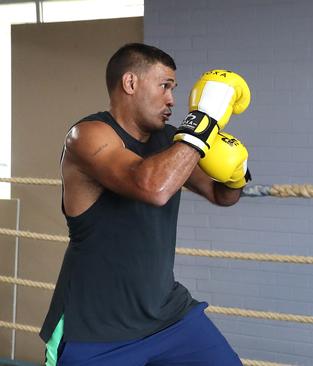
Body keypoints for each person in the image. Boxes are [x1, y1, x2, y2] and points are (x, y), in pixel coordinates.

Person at [39, 43, 251, 366]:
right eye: (164, 86)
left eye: (174, 88)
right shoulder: (87, 136)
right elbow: (153, 186)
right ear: (130, 83)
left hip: (168, 317)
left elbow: (221, 195)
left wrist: (238, 172)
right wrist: (203, 121)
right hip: (96, 329)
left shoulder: (168, 139)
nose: (172, 100)